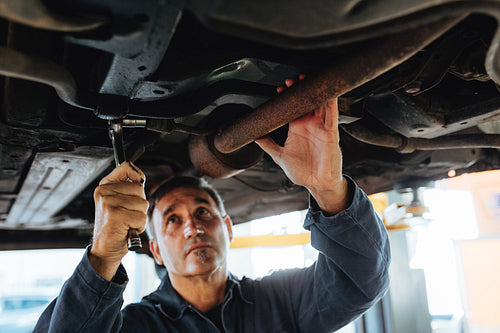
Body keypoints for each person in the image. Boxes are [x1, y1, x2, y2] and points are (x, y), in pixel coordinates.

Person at [34, 78, 390, 332]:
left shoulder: (282, 301)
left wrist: (327, 189)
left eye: (203, 212)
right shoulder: (136, 325)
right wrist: (103, 257)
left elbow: (360, 281)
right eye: (172, 220)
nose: (192, 226)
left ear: (229, 228)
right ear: (156, 250)